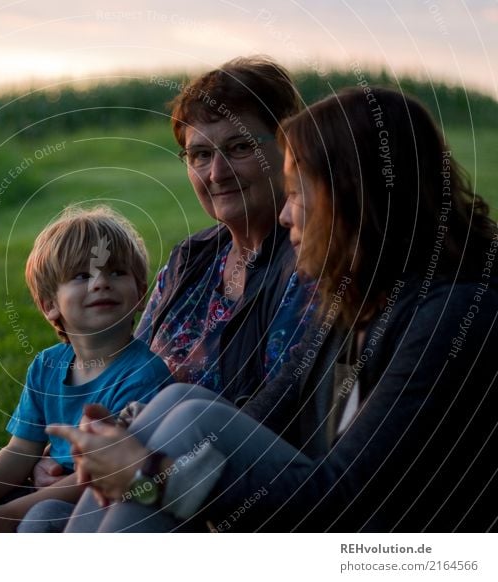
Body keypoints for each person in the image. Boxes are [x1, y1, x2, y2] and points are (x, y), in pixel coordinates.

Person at [49, 86, 498, 531]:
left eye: (298, 194)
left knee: (187, 421)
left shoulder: (451, 317)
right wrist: (137, 429)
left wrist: (153, 476)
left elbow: (347, 498)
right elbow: (267, 409)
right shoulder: (353, 304)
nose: (287, 215)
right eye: (199, 155)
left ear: (353, 199)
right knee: (177, 408)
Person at [29, 55, 313, 496]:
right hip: (116, 467)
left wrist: (131, 462)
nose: (216, 173)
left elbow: (280, 411)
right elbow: (121, 366)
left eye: (239, 148)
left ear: (287, 149)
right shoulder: (190, 259)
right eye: (200, 154)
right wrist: (68, 449)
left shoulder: (305, 264)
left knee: (43, 515)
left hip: (208, 489)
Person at [0, 205, 173, 532]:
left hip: (101, 507)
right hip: (40, 491)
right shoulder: (47, 365)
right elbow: (21, 449)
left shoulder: (143, 375)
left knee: (43, 516)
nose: (101, 283)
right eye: (82, 275)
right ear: (50, 305)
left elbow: (103, 476)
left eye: (117, 272)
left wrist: (9, 512)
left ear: (141, 293)